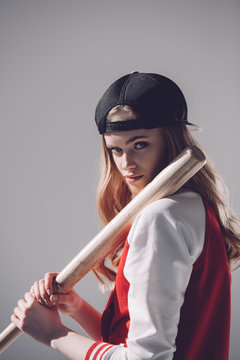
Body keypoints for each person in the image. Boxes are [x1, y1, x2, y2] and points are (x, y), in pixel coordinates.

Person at [11, 72, 240, 360]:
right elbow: (133, 344)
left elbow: (146, 358)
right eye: (115, 150)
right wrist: (75, 307)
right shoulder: (193, 207)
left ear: (171, 140)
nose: (127, 163)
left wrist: (55, 335)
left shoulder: (160, 218)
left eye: (140, 144)